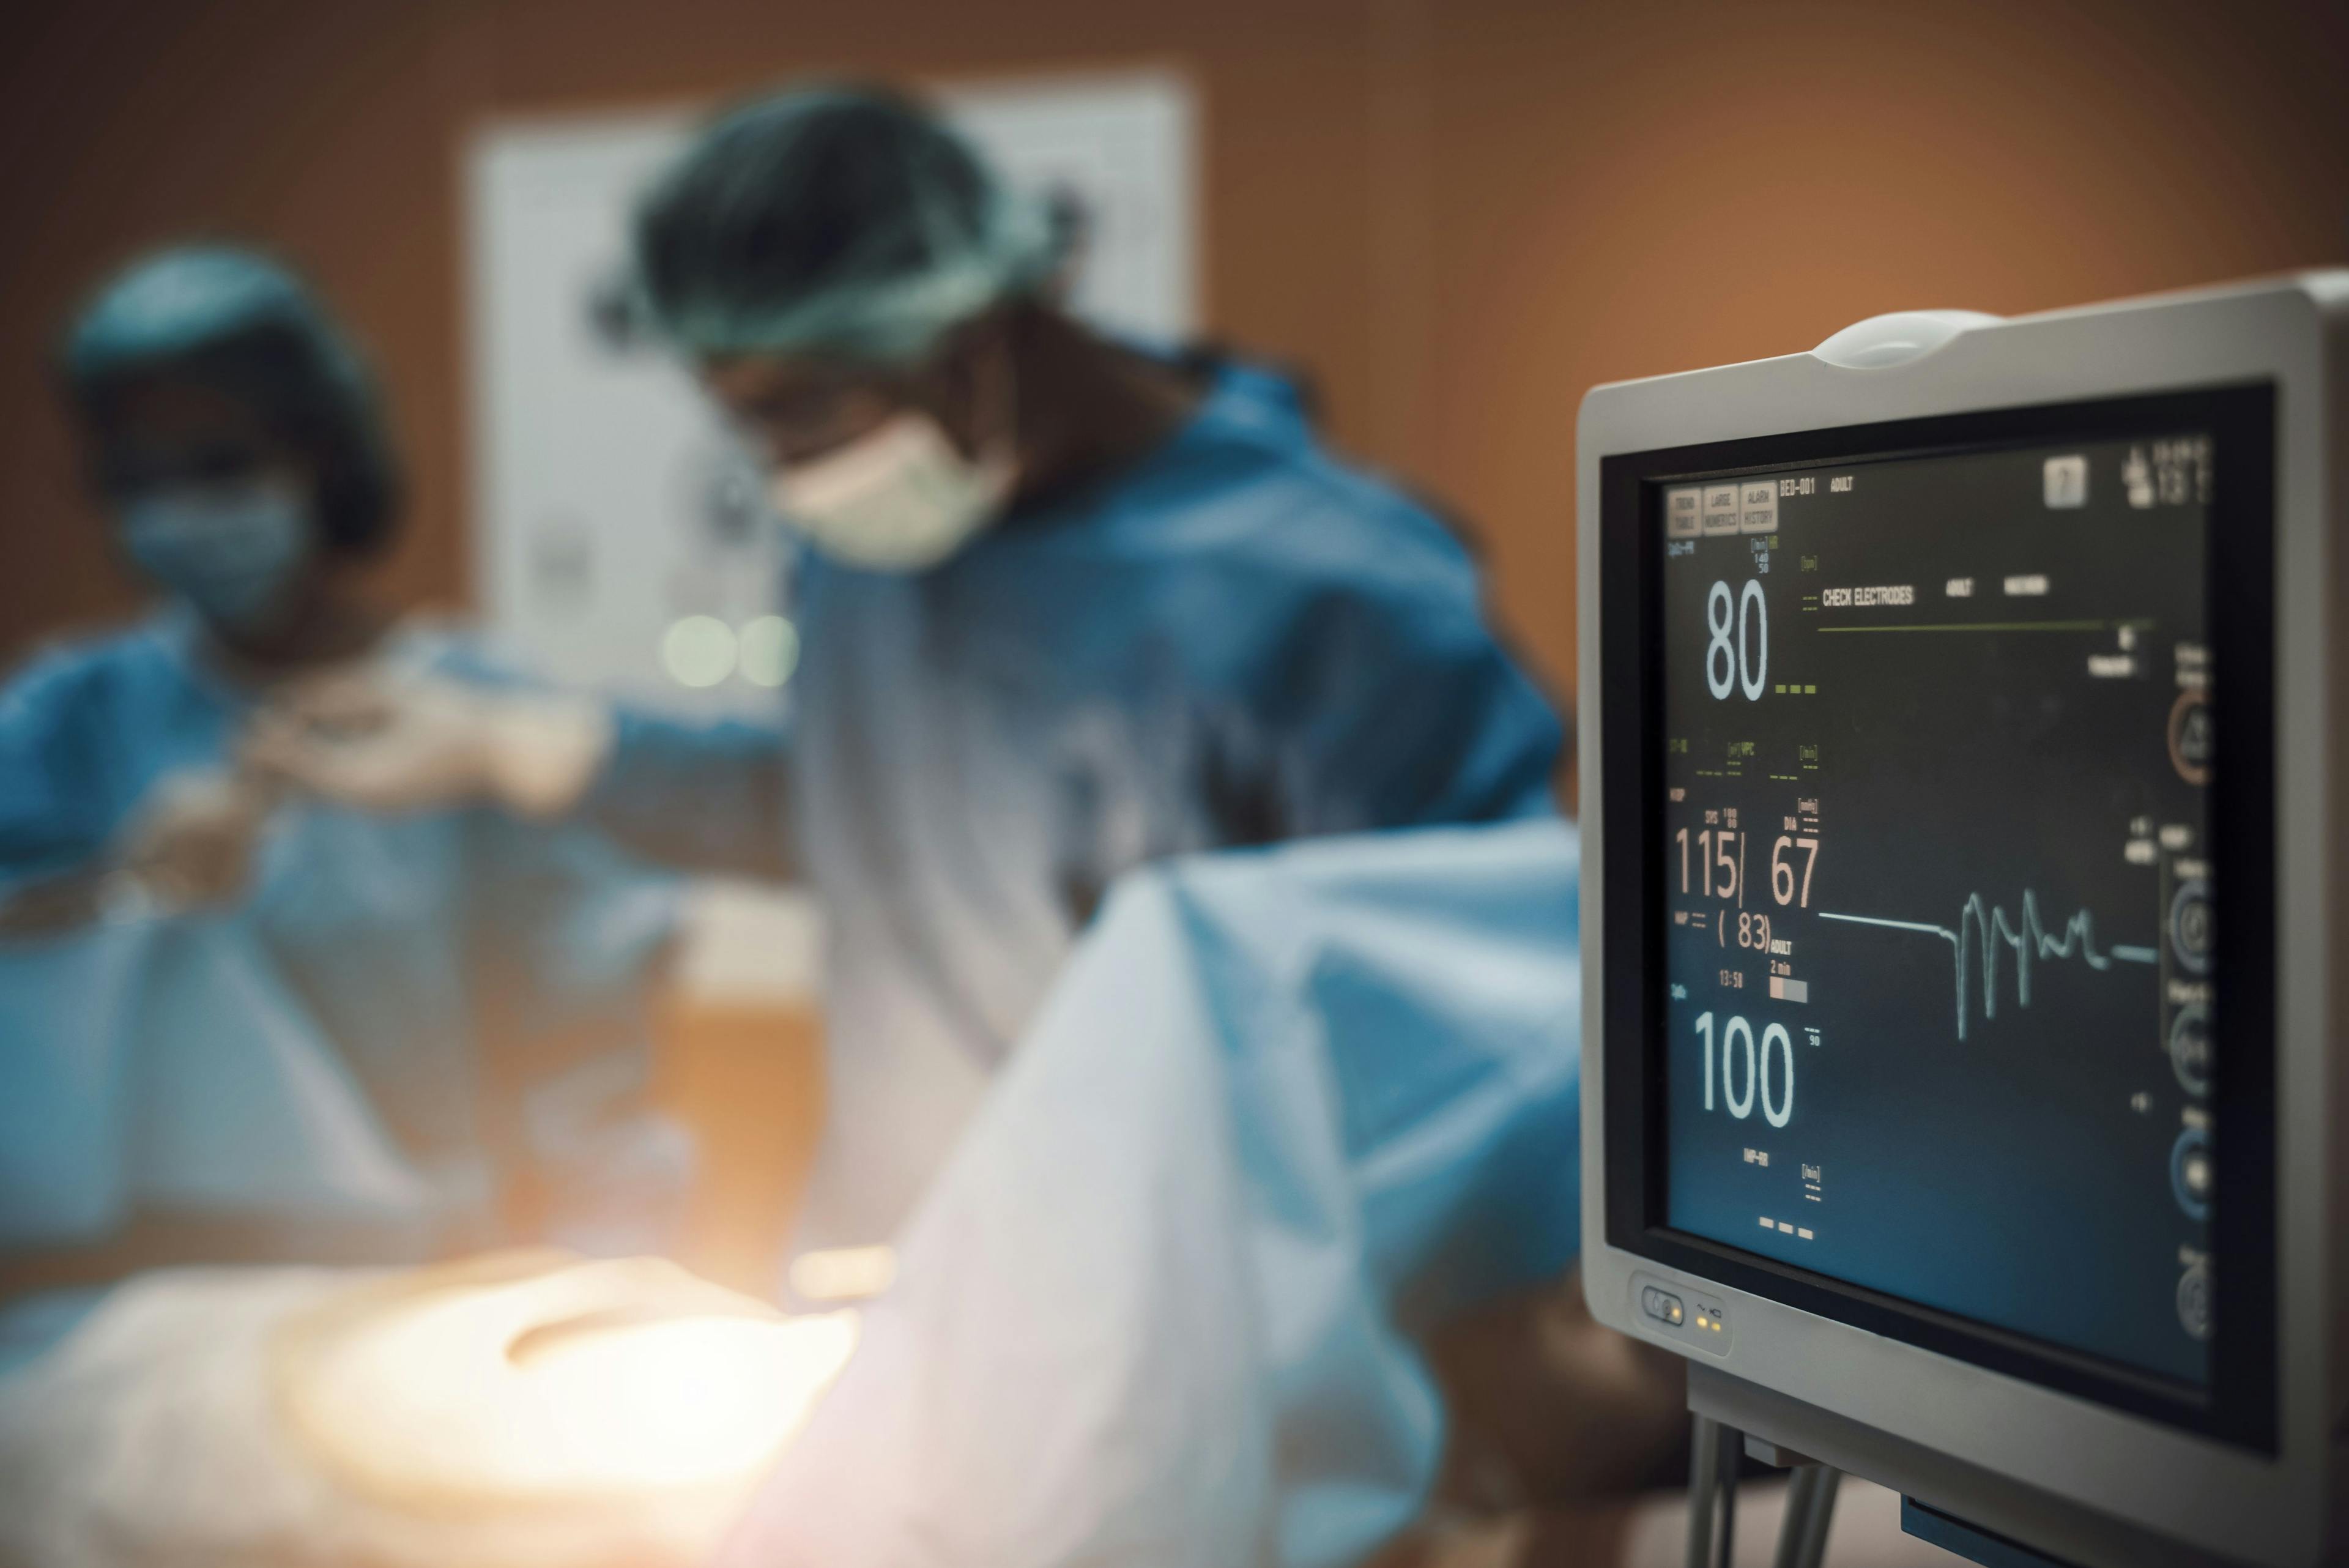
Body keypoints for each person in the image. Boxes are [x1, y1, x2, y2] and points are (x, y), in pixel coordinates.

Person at [250, 84, 1565, 1249]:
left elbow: (1472, 1034)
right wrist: (536, 750)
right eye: (741, 421)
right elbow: (874, 814)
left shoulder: (1333, 594)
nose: (778, 468)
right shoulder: (871, 528)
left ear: (976, 341)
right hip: (898, 1260)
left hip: (1197, 1313)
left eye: (797, 407)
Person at [0, 246, 688, 1361]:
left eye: (220, 466)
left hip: (429, 1311)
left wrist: (604, 1312)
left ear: (321, 454)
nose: (180, 512)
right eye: (138, 482)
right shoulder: (68, 721)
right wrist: (115, 892)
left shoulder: (481, 720)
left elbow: (591, 1081)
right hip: (137, 1326)